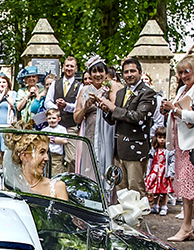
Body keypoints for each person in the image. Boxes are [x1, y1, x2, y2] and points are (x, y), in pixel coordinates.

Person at [160, 55, 194, 241]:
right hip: (181, 141)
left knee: (189, 185)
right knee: (187, 184)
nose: (182, 75)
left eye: (186, 71)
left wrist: (176, 109)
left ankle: (187, 227)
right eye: (180, 72)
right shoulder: (181, 88)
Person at [104, 57, 156, 193]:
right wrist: (107, 110)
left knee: (135, 191)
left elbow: (139, 117)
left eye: (132, 71)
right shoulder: (121, 92)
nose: (129, 75)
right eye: (126, 72)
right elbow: (114, 119)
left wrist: (114, 109)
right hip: (119, 150)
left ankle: (138, 216)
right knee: (120, 191)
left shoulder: (148, 93)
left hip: (136, 150)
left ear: (140, 72)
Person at [73, 59, 114, 181]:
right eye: (94, 71)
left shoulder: (111, 88)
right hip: (90, 130)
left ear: (106, 73)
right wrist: (86, 107)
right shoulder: (84, 90)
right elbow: (76, 119)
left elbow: (116, 109)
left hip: (107, 130)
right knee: (90, 162)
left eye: (100, 71)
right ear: (89, 74)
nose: (97, 74)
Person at [8, 129, 69, 201]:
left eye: (47, 152)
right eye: (42, 152)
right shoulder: (9, 188)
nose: (47, 158)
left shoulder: (58, 187)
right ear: (24, 156)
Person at [44, 56, 81, 170]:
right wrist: (57, 108)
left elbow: (79, 106)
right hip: (54, 126)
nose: (69, 68)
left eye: (72, 66)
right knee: (53, 157)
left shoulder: (80, 86)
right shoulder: (55, 84)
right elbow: (47, 101)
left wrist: (66, 106)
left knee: (72, 159)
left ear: (75, 68)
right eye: (67, 66)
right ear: (63, 67)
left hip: (70, 126)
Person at [145, 127, 172, 214]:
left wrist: (171, 173)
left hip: (164, 172)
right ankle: (155, 205)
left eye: (164, 138)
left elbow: (172, 162)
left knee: (164, 190)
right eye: (160, 137)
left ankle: (164, 206)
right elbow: (150, 161)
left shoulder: (168, 151)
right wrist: (148, 172)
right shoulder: (154, 150)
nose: (162, 140)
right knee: (155, 190)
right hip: (155, 172)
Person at [41, 107, 67, 174]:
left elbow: (65, 141)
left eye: (54, 118)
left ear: (59, 119)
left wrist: (52, 139)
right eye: (49, 118)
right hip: (46, 155)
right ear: (46, 119)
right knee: (46, 173)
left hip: (57, 155)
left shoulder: (62, 129)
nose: (52, 120)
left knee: (56, 173)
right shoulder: (44, 130)